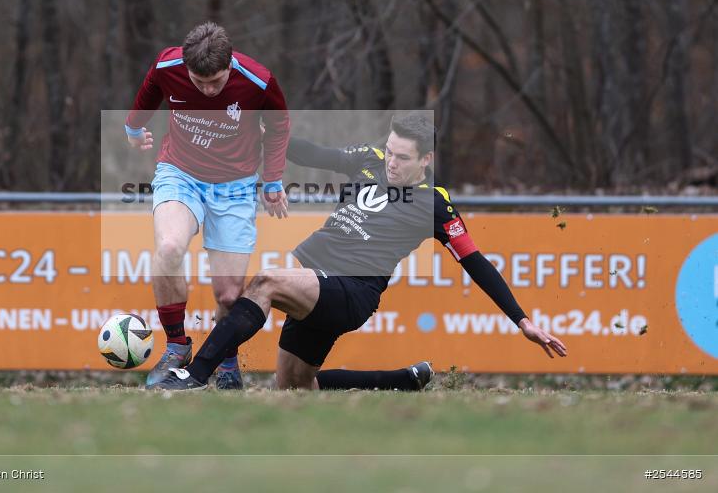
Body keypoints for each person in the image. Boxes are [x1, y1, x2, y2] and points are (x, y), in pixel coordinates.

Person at [152, 112, 567, 391]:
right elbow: (314, 155)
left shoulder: (436, 203)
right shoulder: (369, 160)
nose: (391, 163)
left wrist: (522, 320)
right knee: (294, 391)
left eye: (402, 158)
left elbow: (477, 264)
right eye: (389, 151)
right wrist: (265, 133)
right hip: (314, 277)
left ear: (427, 160)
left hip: (350, 291)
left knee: (265, 281)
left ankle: (193, 374)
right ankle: (399, 381)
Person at [125, 22, 290, 389]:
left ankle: (225, 359)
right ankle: (177, 345)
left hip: (235, 184)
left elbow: (279, 126)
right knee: (168, 247)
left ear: (230, 65)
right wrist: (134, 129)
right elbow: (149, 92)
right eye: (200, 83)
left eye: (216, 81)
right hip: (179, 173)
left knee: (229, 295)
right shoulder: (168, 65)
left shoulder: (258, 80)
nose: (209, 89)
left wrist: (274, 179)